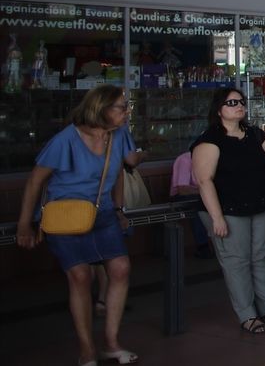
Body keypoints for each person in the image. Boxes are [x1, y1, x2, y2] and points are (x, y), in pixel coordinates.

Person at [16, 84, 139, 366]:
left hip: (103, 212)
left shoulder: (119, 135)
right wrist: (25, 223)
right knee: (80, 276)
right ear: (102, 108)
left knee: (120, 268)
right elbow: (36, 180)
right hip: (66, 214)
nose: (127, 111)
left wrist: (119, 208)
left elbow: (118, 172)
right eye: (122, 107)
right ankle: (86, 349)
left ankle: (111, 343)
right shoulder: (66, 139)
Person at [192, 86, 265, 334]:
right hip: (228, 210)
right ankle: (247, 315)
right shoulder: (209, 140)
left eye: (241, 101)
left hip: (258, 205)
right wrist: (217, 217)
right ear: (218, 110)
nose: (238, 106)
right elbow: (204, 181)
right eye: (231, 103)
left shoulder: (255, 135)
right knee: (236, 262)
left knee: (260, 258)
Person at [169, 149, 213, 259]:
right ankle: (202, 246)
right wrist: (205, 190)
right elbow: (182, 189)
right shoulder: (185, 159)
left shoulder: (213, 159)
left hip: (202, 194)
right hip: (181, 197)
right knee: (198, 204)